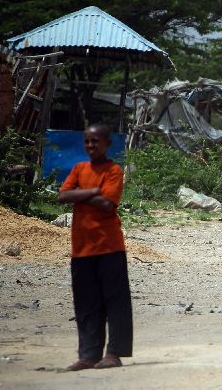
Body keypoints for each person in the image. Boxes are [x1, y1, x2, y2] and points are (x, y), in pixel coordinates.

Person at [58, 124, 132, 371]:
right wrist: (91, 191)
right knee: (86, 304)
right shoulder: (80, 169)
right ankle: (88, 355)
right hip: (81, 248)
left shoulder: (113, 170)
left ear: (107, 144)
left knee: (115, 302)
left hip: (109, 245)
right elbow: (62, 196)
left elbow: (106, 204)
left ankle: (114, 353)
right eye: (87, 141)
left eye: (96, 141)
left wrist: (79, 194)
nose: (91, 146)